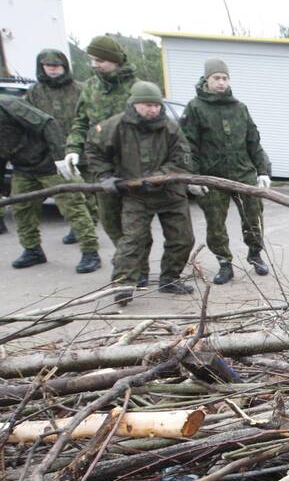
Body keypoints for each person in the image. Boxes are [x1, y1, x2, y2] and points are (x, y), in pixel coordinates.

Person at [86, 81, 194, 304]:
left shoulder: (170, 128)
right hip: (135, 196)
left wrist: (160, 177)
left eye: (156, 105)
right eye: (147, 105)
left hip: (170, 194)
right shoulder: (115, 126)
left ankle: (170, 279)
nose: (153, 110)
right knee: (133, 241)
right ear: (134, 104)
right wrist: (106, 176)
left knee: (182, 239)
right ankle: (124, 285)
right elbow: (94, 150)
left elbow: (182, 158)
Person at [60, 35, 145, 284]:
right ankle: (128, 263)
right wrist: (72, 148)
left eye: (100, 60)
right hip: (101, 167)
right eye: (92, 60)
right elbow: (81, 122)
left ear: (115, 60)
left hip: (133, 167)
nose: (95, 65)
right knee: (109, 221)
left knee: (136, 224)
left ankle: (134, 267)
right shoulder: (91, 88)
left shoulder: (136, 88)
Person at [181, 58, 273, 284]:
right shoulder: (195, 108)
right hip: (212, 177)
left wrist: (263, 171)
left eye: (224, 78)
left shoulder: (239, 108)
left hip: (243, 173)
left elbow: (253, 141)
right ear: (207, 79)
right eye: (216, 78)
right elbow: (187, 145)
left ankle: (255, 254)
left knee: (253, 216)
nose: (221, 83)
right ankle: (224, 262)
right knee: (215, 223)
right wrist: (193, 177)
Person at [2, 96, 97, 272]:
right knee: (21, 209)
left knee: (73, 206)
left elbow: (48, 124)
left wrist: (60, 158)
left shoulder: (7, 105)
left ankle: (90, 252)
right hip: (23, 167)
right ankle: (33, 250)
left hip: (50, 163)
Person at [23, 48, 100, 261]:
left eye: (57, 66)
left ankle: (88, 225)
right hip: (50, 153)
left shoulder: (80, 89)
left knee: (87, 193)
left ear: (64, 67)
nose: (53, 70)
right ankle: (79, 229)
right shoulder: (35, 92)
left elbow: (91, 117)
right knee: (68, 196)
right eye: (49, 66)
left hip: (80, 150)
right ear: (42, 67)